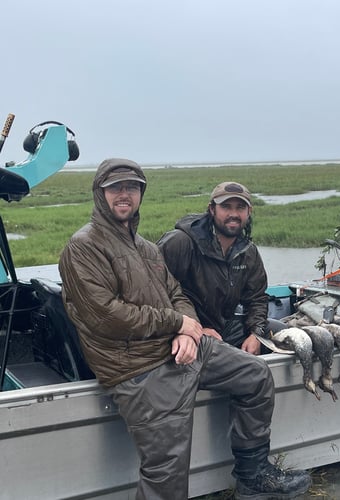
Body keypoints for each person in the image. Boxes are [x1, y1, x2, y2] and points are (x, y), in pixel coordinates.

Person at [58, 159, 311, 500]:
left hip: (176, 347)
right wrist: (179, 324)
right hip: (137, 365)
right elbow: (107, 316)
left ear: (140, 194)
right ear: (99, 193)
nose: (124, 194)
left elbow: (176, 294)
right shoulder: (83, 247)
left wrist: (187, 331)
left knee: (255, 375)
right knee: (168, 464)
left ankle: (252, 478)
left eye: (132, 187)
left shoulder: (145, 248)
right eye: (115, 187)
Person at [157, 181, 283, 355]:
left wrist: (256, 334)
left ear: (249, 212)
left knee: (281, 332)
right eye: (225, 207)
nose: (233, 214)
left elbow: (257, 298)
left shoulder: (248, 251)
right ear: (212, 209)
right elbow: (152, 292)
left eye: (240, 207)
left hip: (222, 329)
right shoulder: (181, 242)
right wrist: (192, 328)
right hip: (180, 330)